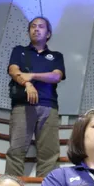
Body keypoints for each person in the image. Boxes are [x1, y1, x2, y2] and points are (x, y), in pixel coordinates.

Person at [7, 16, 65, 177]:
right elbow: (13, 71)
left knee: (49, 154)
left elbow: (56, 76)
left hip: (48, 106)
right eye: (33, 26)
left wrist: (31, 76)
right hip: (22, 106)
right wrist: (27, 84)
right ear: (28, 31)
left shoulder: (56, 56)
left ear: (48, 33)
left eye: (41, 26)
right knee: (16, 151)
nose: (36, 29)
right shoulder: (19, 51)